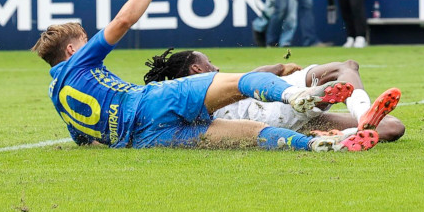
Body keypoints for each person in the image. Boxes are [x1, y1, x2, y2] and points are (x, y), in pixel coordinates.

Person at [34, 0, 380, 152]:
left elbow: (87, 141)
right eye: (84, 40)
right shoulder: (80, 62)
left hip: (146, 139)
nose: (89, 43)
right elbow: (123, 20)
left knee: (249, 135)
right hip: (151, 103)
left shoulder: (56, 95)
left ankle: (315, 146)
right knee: (239, 82)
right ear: (72, 49)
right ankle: (296, 96)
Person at [144, 53, 403, 142]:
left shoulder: (185, 107)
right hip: (276, 104)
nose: (217, 67)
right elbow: (256, 76)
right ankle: (363, 112)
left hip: (279, 124)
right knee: (345, 67)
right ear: (197, 69)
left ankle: (339, 134)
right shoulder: (207, 86)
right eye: (209, 62)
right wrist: (281, 67)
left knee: (392, 127)